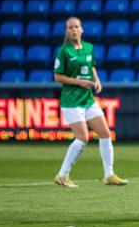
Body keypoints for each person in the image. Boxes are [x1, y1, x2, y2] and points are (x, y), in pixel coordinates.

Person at [53, 16, 128, 188]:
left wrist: (97, 80)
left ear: (81, 29)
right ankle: (62, 175)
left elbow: (91, 65)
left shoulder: (89, 48)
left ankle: (109, 175)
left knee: (105, 133)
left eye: (76, 26)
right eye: (70, 27)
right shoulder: (64, 51)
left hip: (87, 99)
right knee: (83, 137)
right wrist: (80, 82)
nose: (73, 29)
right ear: (66, 31)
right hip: (71, 100)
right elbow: (57, 76)